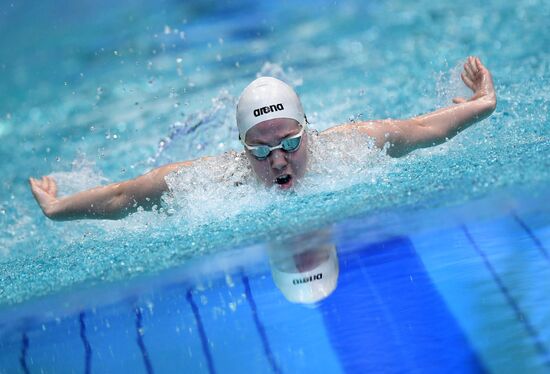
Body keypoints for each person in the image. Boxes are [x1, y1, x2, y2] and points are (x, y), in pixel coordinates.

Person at [29, 56, 496, 221]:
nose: (278, 161)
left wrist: (481, 103)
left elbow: (421, 129)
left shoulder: (349, 147)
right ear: (241, 148)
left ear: (306, 128)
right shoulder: (214, 183)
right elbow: (124, 195)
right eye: (259, 149)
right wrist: (57, 207)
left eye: (290, 142)